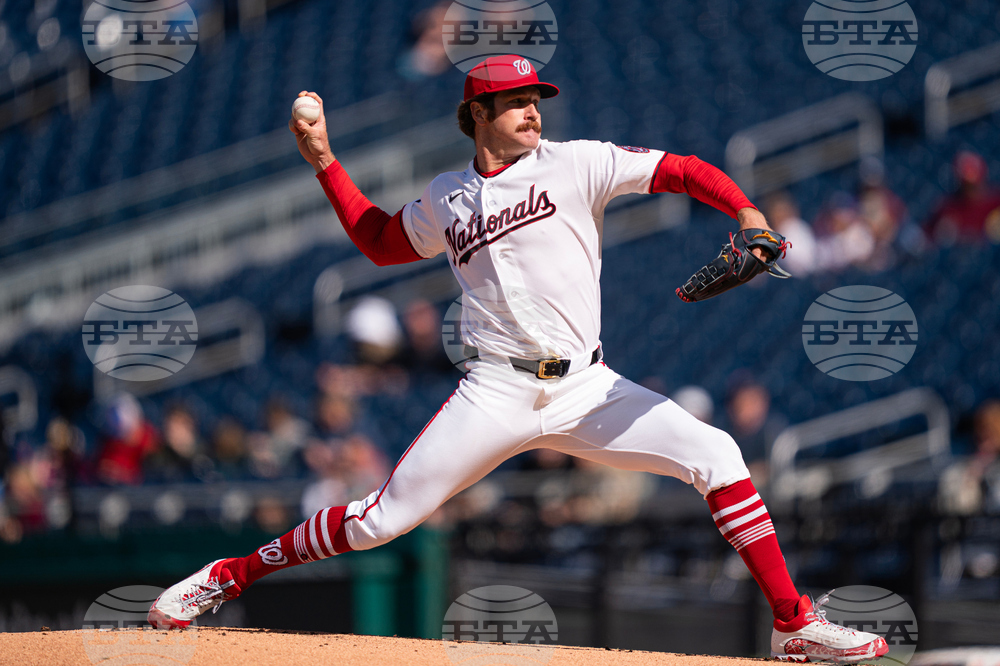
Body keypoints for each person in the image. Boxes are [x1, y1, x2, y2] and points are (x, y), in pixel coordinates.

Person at [149, 55, 887, 662]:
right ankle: (224, 576)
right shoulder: (448, 196)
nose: (533, 110)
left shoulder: (579, 163)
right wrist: (325, 164)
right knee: (380, 521)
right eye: (513, 101)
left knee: (719, 454)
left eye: (536, 98)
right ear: (477, 116)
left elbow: (684, 170)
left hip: (588, 387)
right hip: (496, 391)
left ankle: (793, 624)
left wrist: (748, 214)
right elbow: (379, 242)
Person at [925, 151, 1000, 244]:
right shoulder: (948, 208)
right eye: (967, 186)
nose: (971, 190)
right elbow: (927, 237)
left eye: (974, 185)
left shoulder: (996, 202)